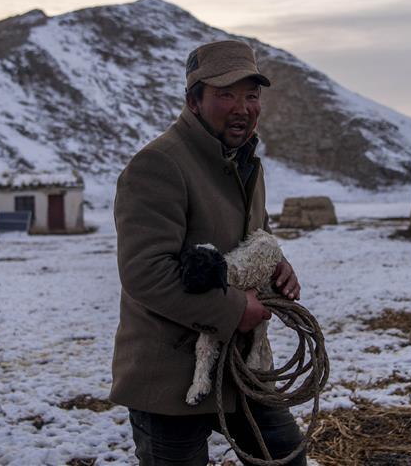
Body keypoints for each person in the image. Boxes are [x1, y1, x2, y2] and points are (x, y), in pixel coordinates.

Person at [111, 39, 306, 465]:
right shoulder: (158, 165)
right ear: (193, 101)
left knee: (287, 457)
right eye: (225, 95)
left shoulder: (246, 160)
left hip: (241, 369)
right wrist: (235, 309)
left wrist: (276, 261)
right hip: (170, 374)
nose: (242, 107)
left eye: (251, 95)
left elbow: (256, 232)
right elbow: (145, 272)